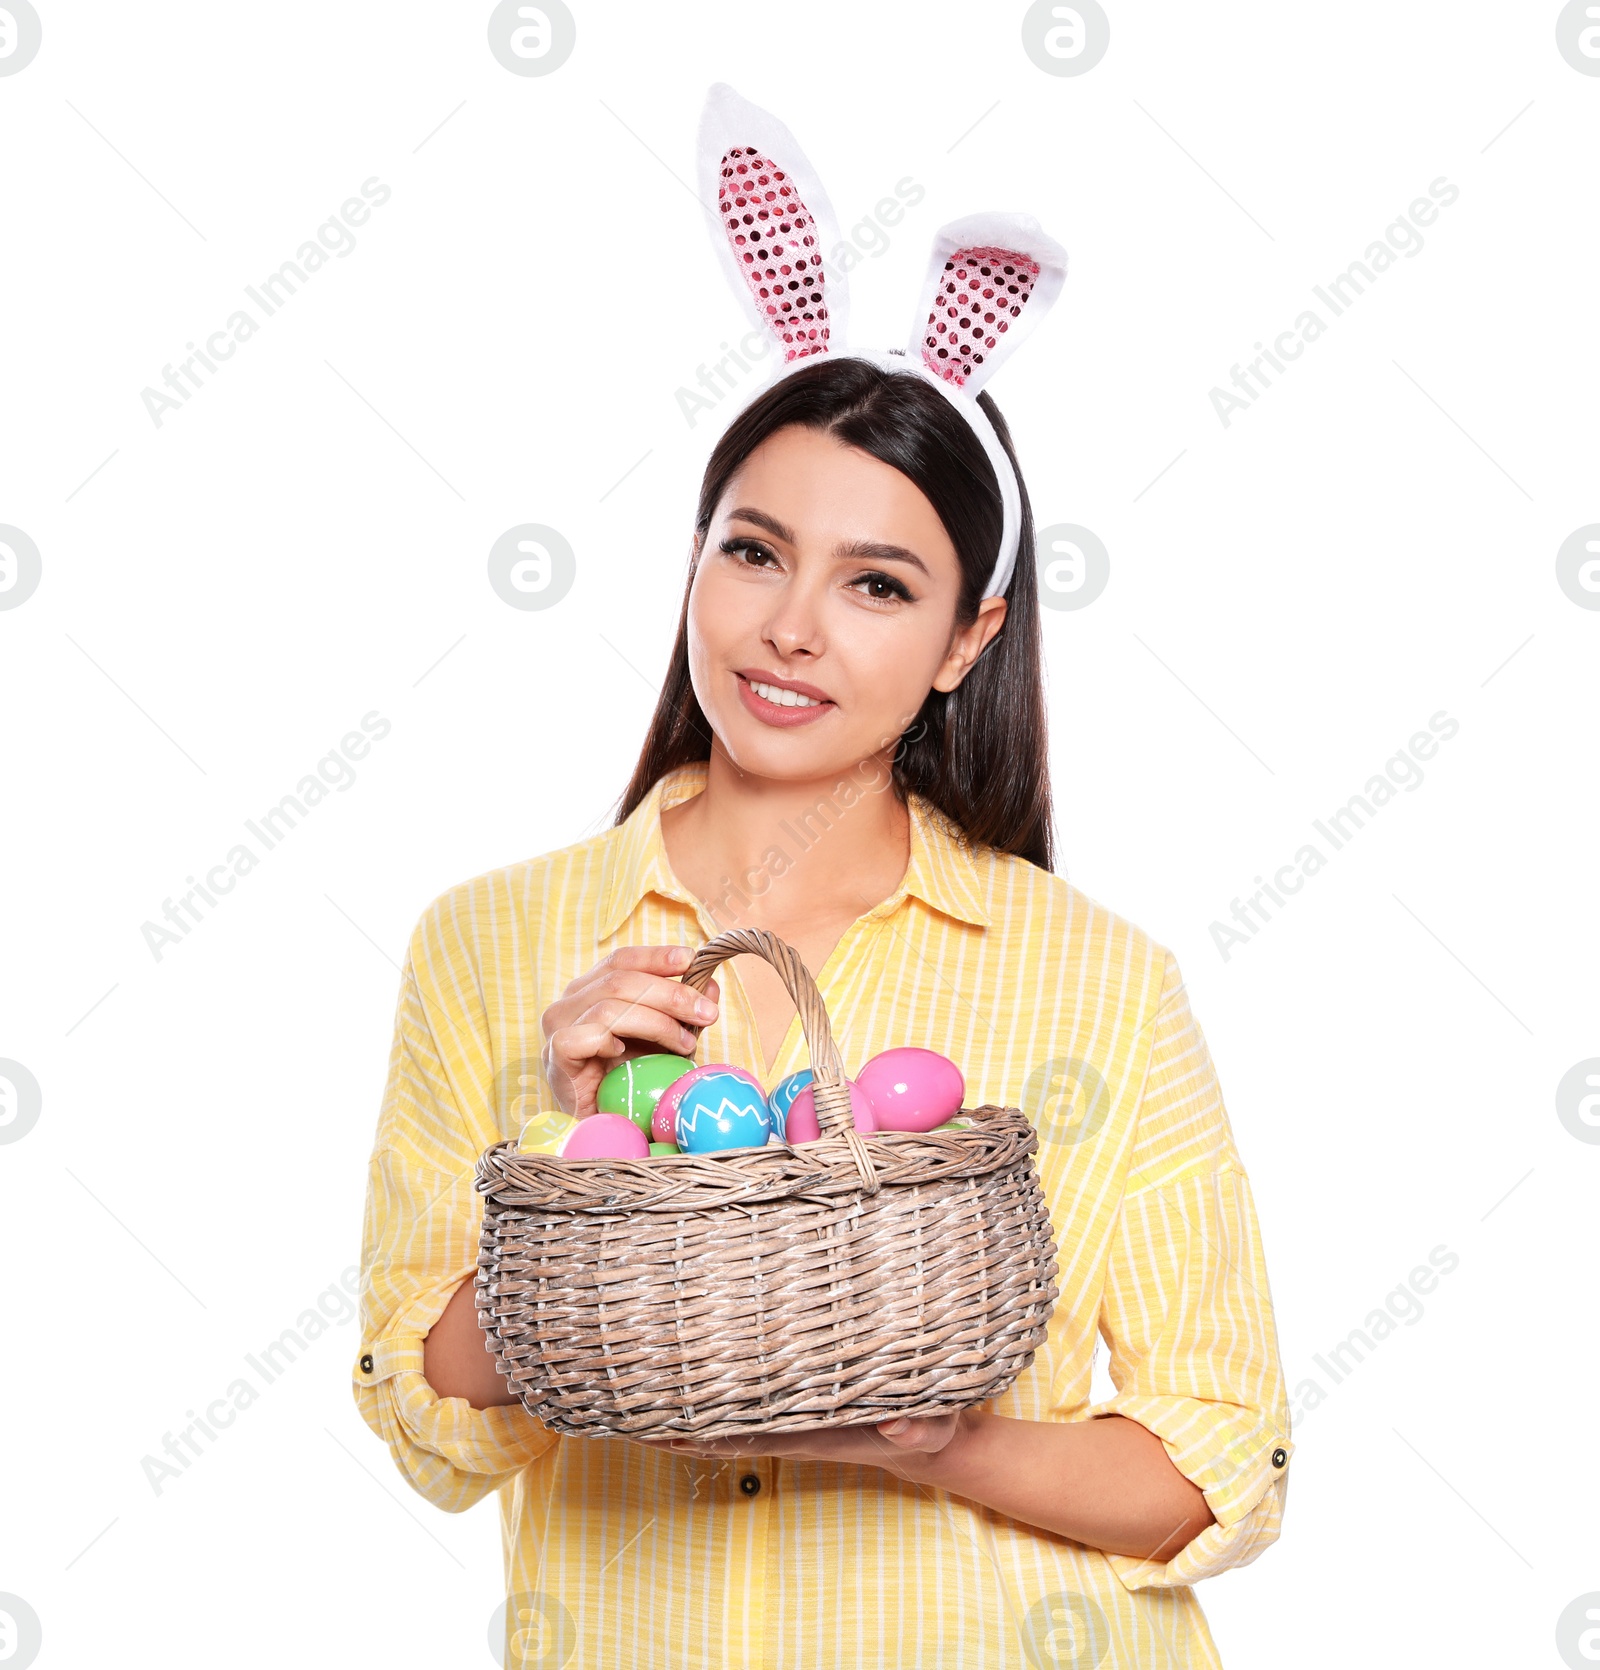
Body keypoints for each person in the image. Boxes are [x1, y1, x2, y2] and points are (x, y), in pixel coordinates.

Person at [352, 345, 1292, 1667]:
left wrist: (939, 1442)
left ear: (970, 637)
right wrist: (575, 1187)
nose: (792, 626)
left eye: (876, 584)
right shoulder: (489, 946)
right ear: (692, 560)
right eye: (753, 552)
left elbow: (1221, 1459)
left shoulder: (1101, 979)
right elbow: (423, 1413)